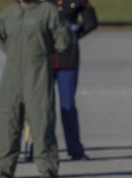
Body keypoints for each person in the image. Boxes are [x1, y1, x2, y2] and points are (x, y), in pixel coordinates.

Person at [0, 0, 70, 178]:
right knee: (7, 129)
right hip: (11, 78)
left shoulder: (48, 12)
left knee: (43, 127)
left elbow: (63, 40)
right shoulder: (9, 13)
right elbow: (0, 37)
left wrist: (40, 55)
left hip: (38, 77)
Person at [52, 0, 97, 160]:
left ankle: (75, 148)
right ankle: (39, 149)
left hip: (67, 58)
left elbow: (91, 22)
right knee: (41, 107)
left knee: (68, 106)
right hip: (45, 57)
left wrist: (73, 35)